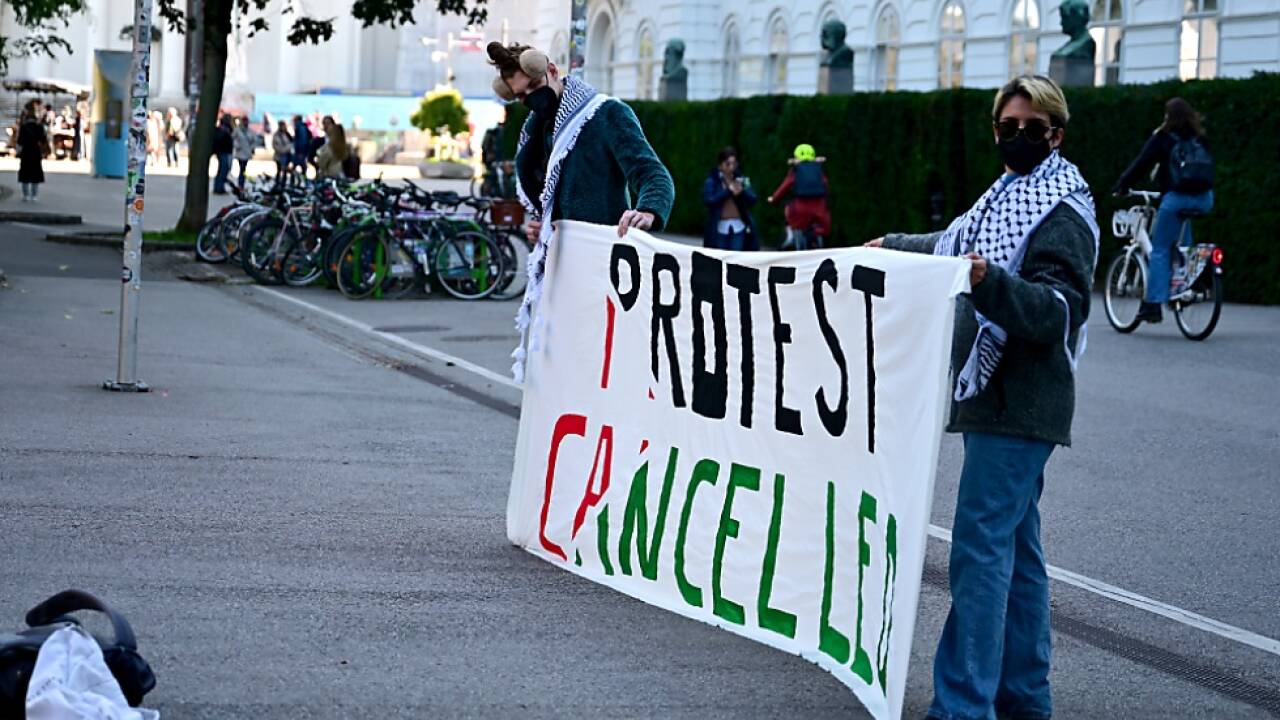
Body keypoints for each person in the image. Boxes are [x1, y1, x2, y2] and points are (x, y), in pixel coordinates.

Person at [868, 75, 1098, 720]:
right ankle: (1024, 698)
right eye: (1007, 127)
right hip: (997, 403)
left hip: (1022, 405)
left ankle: (964, 706)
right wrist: (892, 247)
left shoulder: (1061, 208)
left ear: (1056, 134)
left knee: (978, 551)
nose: (1018, 138)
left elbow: (1060, 311)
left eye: (1032, 129)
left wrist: (991, 282)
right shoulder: (1003, 199)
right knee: (1017, 556)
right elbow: (952, 249)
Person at [488, 40, 675, 379]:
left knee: (606, 370)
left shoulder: (606, 114)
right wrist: (540, 224)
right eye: (521, 96)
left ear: (553, 71)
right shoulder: (535, 130)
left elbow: (653, 174)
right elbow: (548, 199)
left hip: (605, 271)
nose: (531, 98)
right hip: (558, 275)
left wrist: (647, 210)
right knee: (564, 373)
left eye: (534, 86)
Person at [1111, 97, 1214, 324]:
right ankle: (1189, 286)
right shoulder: (1200, 138)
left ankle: (1152, 305)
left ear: (1168, 116)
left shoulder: (1163, 137)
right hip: (1205, 199)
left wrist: (1122, 185)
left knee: (1160, 250)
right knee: (1184, 248)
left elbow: (1142, 162)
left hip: (1176, 199)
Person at [767, 144, 831, 249]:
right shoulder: (818, 169)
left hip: (800, 210)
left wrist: (774, 198)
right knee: (821, 228)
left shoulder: (795, 170)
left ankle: (790, 235)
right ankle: (818, 238)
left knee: (788, 209)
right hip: (820, 210)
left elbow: (785, 187)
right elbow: (826, 186)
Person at [701, 146, 758, 250]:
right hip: (719, 226)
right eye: (728, 164)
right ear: (720, 165)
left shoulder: (742, 179)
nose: (731, 167)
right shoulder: (712, 181)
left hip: (738, 226)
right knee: (720, 258)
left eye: (734, 164)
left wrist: (742, 192)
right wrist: (728, 191)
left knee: (736, 258)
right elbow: (709, 200)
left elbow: (753, 198)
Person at [17, 104, 49, 202]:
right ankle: (34, 195)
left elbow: (19, 141)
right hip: (35, 152)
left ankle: (25, 195)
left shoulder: (23, 127)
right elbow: (44, 140)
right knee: (35, 174)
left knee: (25, 174)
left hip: (26, 152)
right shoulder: (39, 127)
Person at [211, 114, 234, 195]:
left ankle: (219, 186)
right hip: (224, 151)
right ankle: (219, 187)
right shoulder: (224, 129)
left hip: (223, 151)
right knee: (223, 170)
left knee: (223, 170)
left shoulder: (223, 128)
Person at [232, 116, 256, 189]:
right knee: (242, 169)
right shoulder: (237, 130)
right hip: (240, 153)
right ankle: (240, 184)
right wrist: (237, 145)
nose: (246, 122)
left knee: (244, 169)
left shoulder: (250, 131)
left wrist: (252, 148)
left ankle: (242, 183)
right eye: (244, 121)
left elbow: (254, 141)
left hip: (247, 153)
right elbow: (233, 139)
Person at [272, 119, 293, 185]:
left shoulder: (287, 134)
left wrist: (287, 149)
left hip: (286, 155)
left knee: (285, 171)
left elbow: (291, 142)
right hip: (279, 156)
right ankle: (277, 183)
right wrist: (283, 150)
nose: (284, 127)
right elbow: (275, 145)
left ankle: (283, 183)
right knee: (279, 170)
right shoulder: (276, 135)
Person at [291, 115, 312, 179]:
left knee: (300, 166)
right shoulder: (301, 127)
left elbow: (303, 140)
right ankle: (302, 180)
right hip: (301, 151)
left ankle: (301, 181)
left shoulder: (300, 127)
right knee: (301, 167)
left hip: (300, 151)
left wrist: (301, 151)